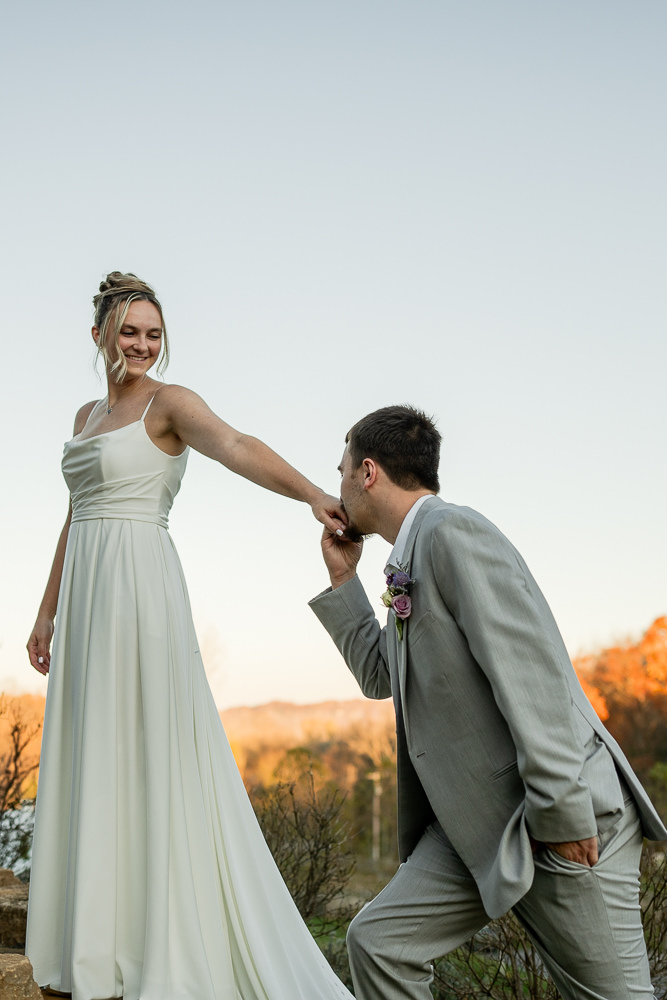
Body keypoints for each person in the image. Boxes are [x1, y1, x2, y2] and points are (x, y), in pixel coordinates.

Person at [25, 271, 354, 1000]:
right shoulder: (85, 414)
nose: (142, 344)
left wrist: (313, 496)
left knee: (149, 750)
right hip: (85, 595)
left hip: (140, 588)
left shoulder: (171, 403)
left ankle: (159, 945)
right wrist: (46, 610)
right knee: (92, 754)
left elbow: (237, 445)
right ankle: (91, 949)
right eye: (129, 332)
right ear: (100, 337)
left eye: (153, 333)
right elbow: (74, 513)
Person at [309, 404, 667, 1000]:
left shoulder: (453, 533)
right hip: (478, 822)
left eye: (342, 470)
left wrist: (562, 813)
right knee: (379, 944)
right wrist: (345, 581)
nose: (339, 484)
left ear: (367, 472)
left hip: (560, 815)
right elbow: (381, 675)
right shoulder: (407, 558)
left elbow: (532, 675)